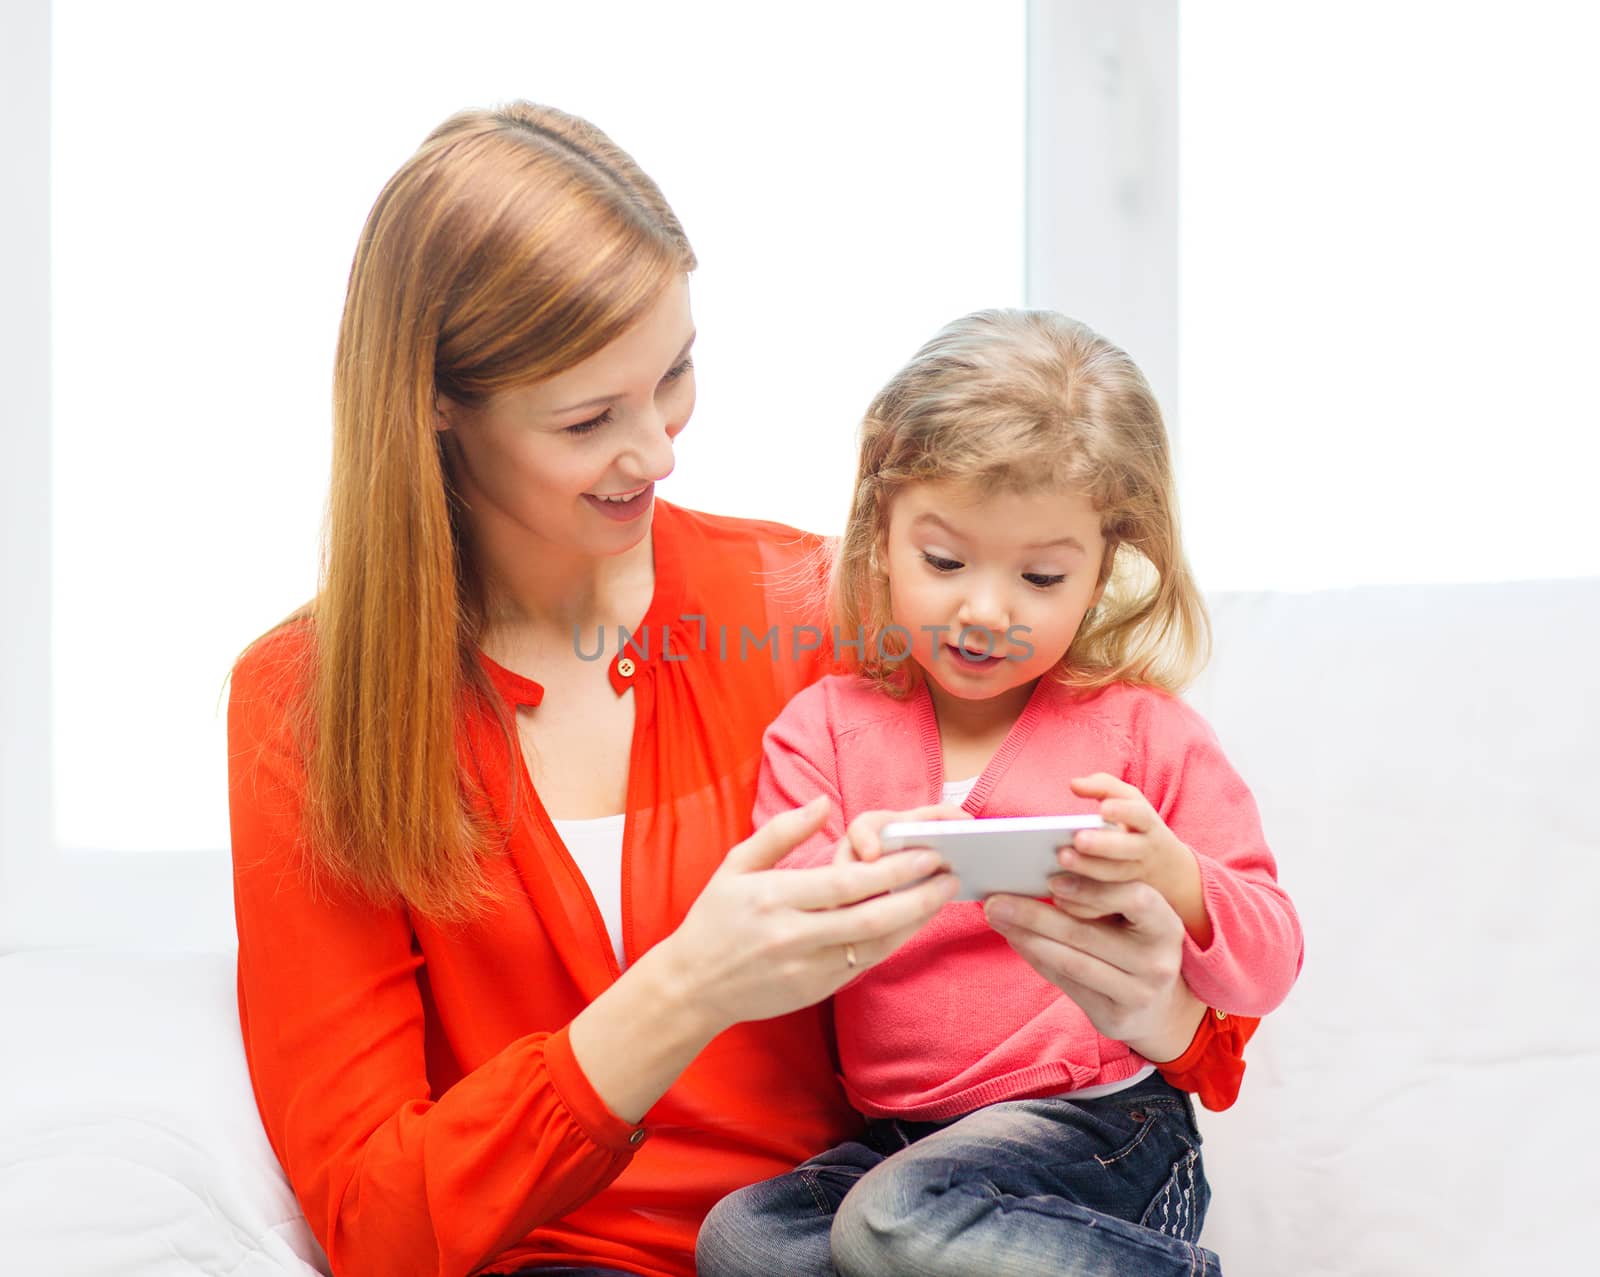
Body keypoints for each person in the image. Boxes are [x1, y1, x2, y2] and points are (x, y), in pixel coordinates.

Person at [225, 103, 1254, 1277]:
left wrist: (1157, 1005)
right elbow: (377, 1220)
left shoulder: (819, 607)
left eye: (673, 374)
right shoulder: (305, 707)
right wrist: (690, 984)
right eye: (588, 418)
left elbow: (1197, 1039)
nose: (660, 451)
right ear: (436, 408)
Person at [696, 311, 1303, 1277]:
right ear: (881, 532)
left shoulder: (1143, 731)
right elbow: (786, 944)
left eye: (1041, 575)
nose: (987, 610)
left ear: (1105, 567)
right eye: (944, 562)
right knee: (745, 1239)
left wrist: (1177, 876)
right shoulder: (823, 729)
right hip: (899, 1143)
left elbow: (1269, 959)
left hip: (1098, 1130)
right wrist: (857, 875)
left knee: (891, 1223)